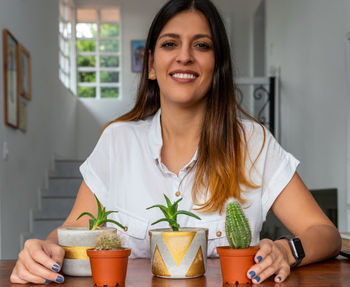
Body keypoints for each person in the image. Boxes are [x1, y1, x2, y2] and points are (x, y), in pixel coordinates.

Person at [10, 0, 341, 284]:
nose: (185, 56)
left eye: (201, 45)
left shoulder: (253, 142)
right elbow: (70, 234)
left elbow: (324, 233)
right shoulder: (117, 140)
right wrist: (41, 251)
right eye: (170, 44)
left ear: (217, 66)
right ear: (152, 65)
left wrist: (287, 249)